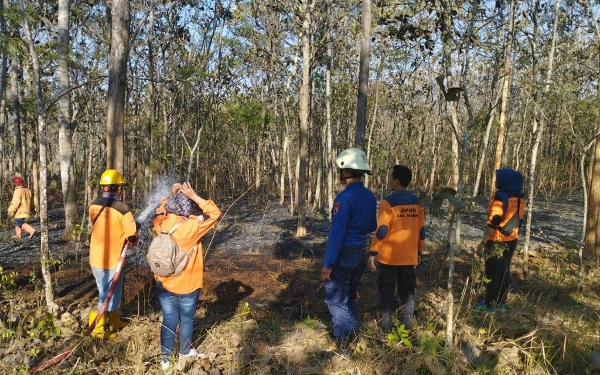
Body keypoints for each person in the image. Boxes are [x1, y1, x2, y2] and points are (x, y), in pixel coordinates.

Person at [152, 182, 221, 372]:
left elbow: (160, 210)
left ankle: (165, 360)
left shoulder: (161, 224)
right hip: (188, 285)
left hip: (164, 283)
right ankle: (184, 351)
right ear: (188, 208)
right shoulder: (191, 226)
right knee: (187, 319)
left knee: (168, 320)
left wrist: (170, 196)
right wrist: (194, 196)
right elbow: (215, 213)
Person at [321, 148, 377, 351]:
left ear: (345, 171)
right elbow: (372, 225)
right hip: (358, 255)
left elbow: (337, 234)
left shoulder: (343, 199)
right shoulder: (370, 197)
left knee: (336, 301)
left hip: (343, 256)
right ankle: (354, 335)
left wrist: (328, 264)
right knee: (349, 299)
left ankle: (344, 344)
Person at [367, 165, 425, 332]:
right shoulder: (418, 203)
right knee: (407, 293)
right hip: (409, 257)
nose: (389, 180)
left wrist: (373, 252)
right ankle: (407, 328)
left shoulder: (388, 202)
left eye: (391, 178)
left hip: (388, 258)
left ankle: (386, 329)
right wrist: (419, 252)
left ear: (396, 181)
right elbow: (421, 231)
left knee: (386, 291)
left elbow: (382, 230)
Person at [88, 169, 140, 339]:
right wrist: (134, 232)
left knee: (110, 292)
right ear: (118, 188)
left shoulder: (94, 205)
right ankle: (98, 328)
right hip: (111, 259)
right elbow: (132, 237)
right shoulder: (123, 209)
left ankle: (114, 320)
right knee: (106, 294)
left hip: (95, 256)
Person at [473, 168, 525, 313]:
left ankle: (489, 305)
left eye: (497, 178)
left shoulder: (501, 197)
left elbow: (495, 219)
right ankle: (501, 303)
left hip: (497, 240)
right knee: (504, 271)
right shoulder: (520, 198)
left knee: (493, 273)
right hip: (512, 239)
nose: (496, 181)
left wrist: (484, 241)